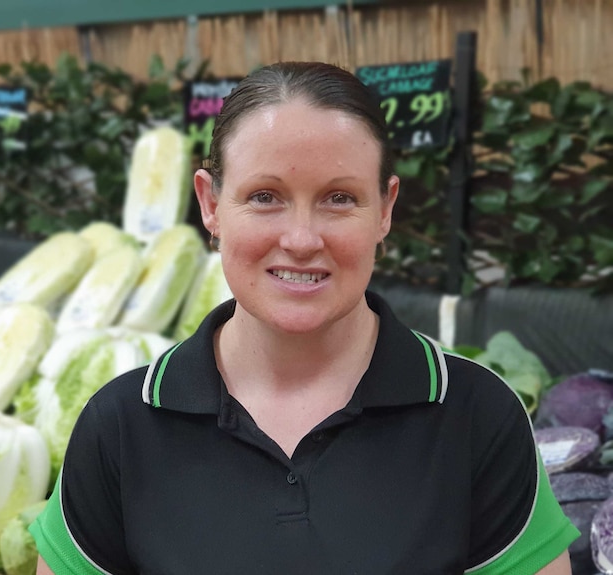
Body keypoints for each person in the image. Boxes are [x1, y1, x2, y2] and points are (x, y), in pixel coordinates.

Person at [29, 61, 579, 574]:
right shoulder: (120, 425)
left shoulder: (477, 416)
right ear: (211, 205)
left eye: (339, 198)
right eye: (265, 196)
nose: (300, 239)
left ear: (385, 210)